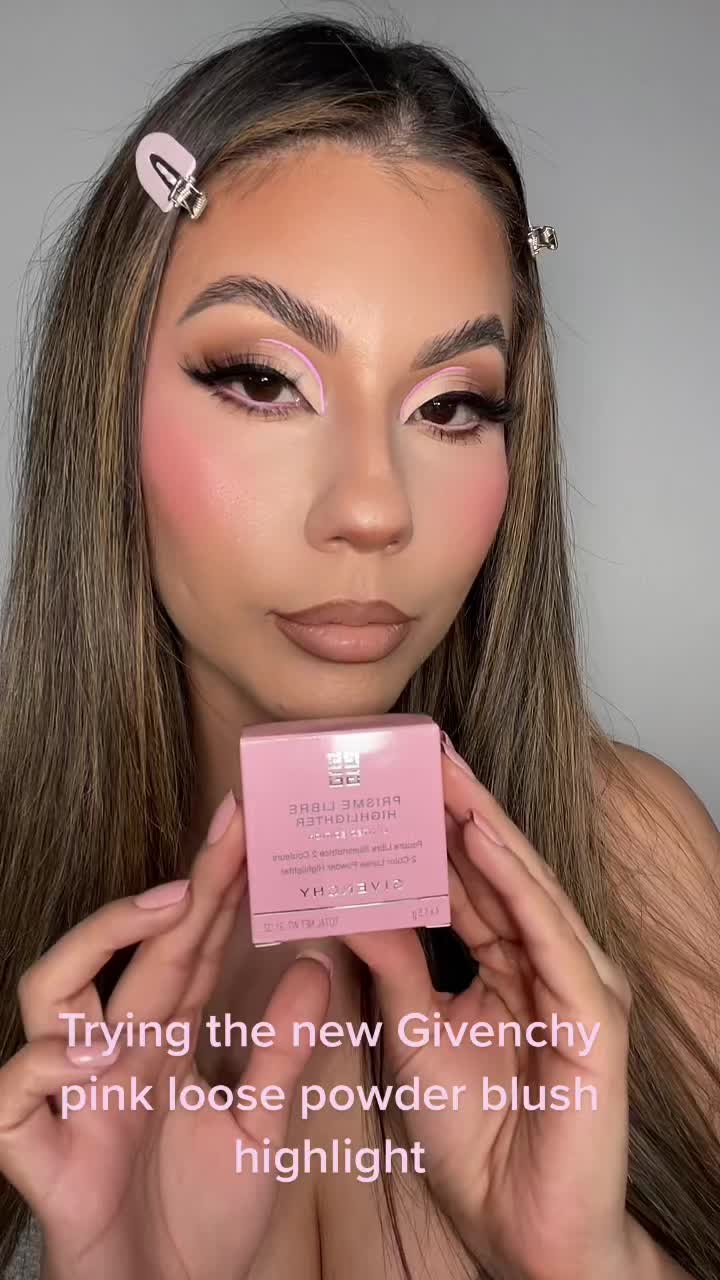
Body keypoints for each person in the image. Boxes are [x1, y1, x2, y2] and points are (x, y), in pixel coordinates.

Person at [0, 13, 718, 1280]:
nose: (375, 507)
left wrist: (588, 1260)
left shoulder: (633, 855)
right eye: (263, 380)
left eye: (453, 405)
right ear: (105, 401)